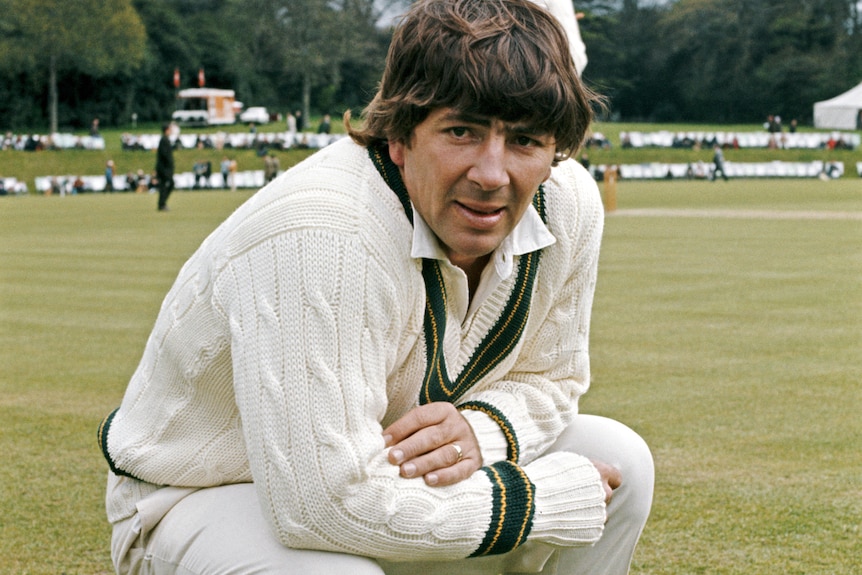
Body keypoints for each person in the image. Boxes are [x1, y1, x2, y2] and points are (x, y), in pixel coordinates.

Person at [98, 1, 654, 574]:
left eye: (525, 141)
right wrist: (531, 504)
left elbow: (554, 378)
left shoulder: (569, 204)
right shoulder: (322, 229)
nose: (492, 175)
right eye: (461, 131)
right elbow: (320, 506)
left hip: (385, 470)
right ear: (399, 136)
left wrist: (483, 431)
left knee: (619, 462)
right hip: (203, 498)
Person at [155, 123, 174, 211]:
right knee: (166, 185)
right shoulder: (164, 140)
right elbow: (165, 155)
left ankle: (161, 203)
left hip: (164, 168)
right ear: (166, 130)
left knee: (165, 185)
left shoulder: (165, 140)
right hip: (164, 168)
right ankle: (162, 204)